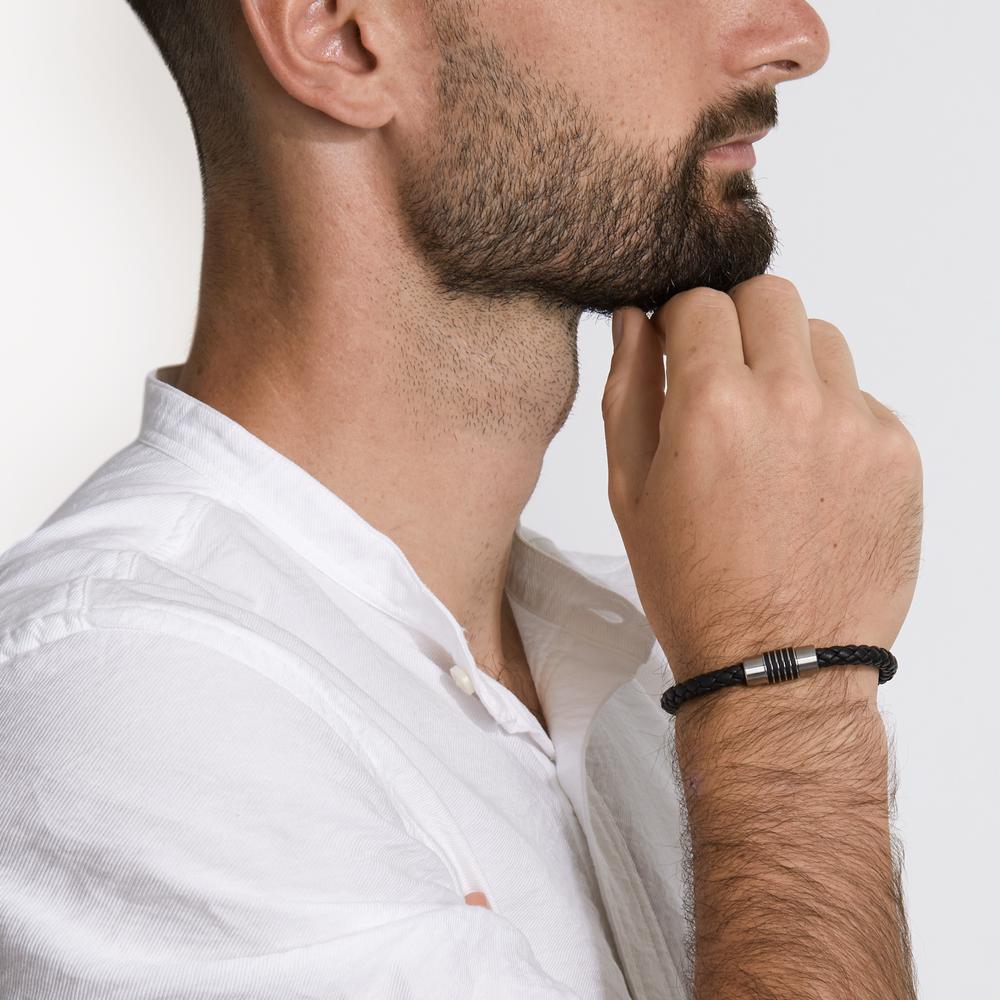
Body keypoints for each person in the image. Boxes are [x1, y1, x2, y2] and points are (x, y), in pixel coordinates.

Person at [0, 2, 922, 998]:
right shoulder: (135, 714)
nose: (796, 37)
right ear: (340, 34)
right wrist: (788, 683)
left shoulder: (647, 673)